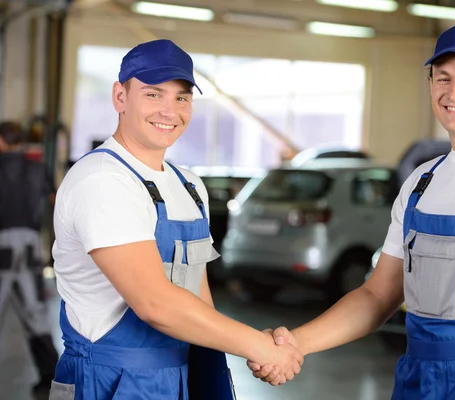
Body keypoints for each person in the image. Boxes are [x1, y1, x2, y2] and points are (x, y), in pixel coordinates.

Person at [250, 21, 455, 399]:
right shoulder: (422, 181)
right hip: (416, 382)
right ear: (431, 83)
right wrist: (296, 343)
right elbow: (376, 297)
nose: (454, 92)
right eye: (443, 77)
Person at [50, 39, 303, 400]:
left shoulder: (189, 185)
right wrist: (258, 347)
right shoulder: (103, 179)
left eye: (182, 97)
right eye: (154, 94)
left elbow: (196, 296)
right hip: (109, 380)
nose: (170, 111)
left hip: (183, 373)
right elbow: (156, 304)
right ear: (120, 97)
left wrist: (249, 350)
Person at [0, 121, 59, 397]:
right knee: (36, 314)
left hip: (1, 247)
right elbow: (53, 201)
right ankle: (51, 376)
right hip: (30, 247)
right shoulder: (38, 169)